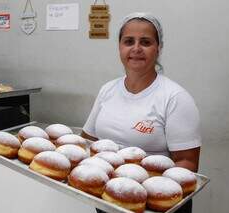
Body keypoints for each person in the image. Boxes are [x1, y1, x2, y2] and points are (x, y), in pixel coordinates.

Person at [81, 12, 201, 213]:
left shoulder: (175, 97)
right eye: (129, 41)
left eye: (145, 42)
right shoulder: (107, 90)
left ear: (158, 48)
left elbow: (188, 162)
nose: (136, 49)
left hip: (153, 205)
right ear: (120, 47)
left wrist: (144, 193)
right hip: (110, 199)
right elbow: (87, 140)